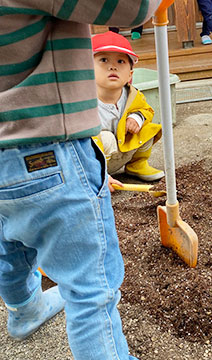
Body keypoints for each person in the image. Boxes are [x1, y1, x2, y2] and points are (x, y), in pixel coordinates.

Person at [0, 1, 161, 359]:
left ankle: (25, 310)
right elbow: (133, 9)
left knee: (10, 244)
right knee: (90, 288)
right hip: (46, 146)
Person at [91, 31, 164, 183]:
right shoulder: (85, 101)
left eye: (120, 62)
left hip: (123, 151)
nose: (112, 67)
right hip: (95, 161)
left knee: (147, 127)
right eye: (104, 60)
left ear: (130, 75)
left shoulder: (132, 95)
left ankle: (136, 164)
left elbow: (147, 110)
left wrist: (136, 118)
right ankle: (98, 176)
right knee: (106, 138)